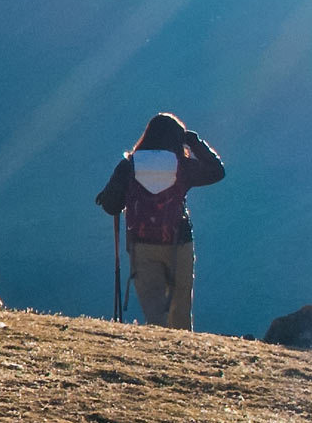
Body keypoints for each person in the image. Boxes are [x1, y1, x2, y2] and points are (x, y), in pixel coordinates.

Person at [94, 112, 226, 329]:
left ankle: (159, 354)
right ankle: (184, 354)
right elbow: (216, 172)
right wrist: (194, 142)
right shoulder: (181, 166)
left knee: (153, 310)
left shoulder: (130, 165)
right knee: (180, 307)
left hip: (141, 245)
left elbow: (111, 206)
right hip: (179, 243)